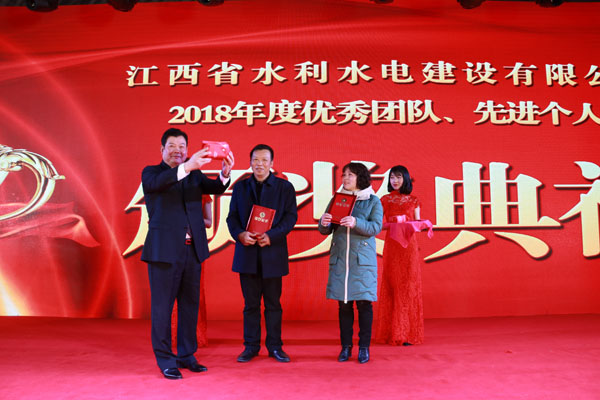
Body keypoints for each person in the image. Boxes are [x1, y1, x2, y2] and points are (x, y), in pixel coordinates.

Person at [141, 128, 234, 379]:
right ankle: (165, 359)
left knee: (190, 306)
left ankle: (186, 355)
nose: (178, 150)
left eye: (182, 146)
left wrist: (225, 173)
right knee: (162, 308)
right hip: (163, 253)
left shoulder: (194, 175)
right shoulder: (152, 173)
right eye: (172, 146)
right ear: (162, 149)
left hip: (192, 251)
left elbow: (215, 187)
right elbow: (157, 184)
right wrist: (187, 166)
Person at [226, 144, 298, 363]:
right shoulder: (240, 187)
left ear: (272, 163)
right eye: (256, 160)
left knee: (273, 304)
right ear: (250, 162)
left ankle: (275, 347)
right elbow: (232, 217)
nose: (260, 164)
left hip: (272, 253)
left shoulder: (284, 188)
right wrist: (240, 234)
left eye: (264, 160)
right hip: (247, 253)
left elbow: (290, 218)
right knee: (250, 305)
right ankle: (251, 347)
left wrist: (272, 235)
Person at [318, 162, 383, 364]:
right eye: (344, 175)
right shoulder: (337, 199)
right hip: (341, 260)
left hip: (361, 261)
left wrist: (356, 222)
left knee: (364, 305)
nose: (345, 178)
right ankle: (345, 347)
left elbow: (376, 227)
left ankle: (364, 348)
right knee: (344, 306)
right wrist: (323, 222)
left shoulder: (373, 201)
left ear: (360, 178)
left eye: (350, 175)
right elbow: (326, 230)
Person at [374, 165, 425, 346]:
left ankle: (406, 333)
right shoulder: (384, 200)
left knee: (408, 286)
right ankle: (392, 332)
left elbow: (418, 224)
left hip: (409, 247)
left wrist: (419, 224)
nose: (395, 181)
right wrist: (394, 223)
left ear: (406, 179)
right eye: (392, 177)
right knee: (393, 284)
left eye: (398, 177)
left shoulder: (414, 200)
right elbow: (377, 224)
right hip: (392, 246)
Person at [171, 194, 212, 348]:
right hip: (171, 247)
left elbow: (209, 222)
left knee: (193, 293)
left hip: (194, 248)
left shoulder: (203, 195)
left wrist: (192, 218)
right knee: (171, 292)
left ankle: (193, 335)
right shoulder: (168, 192)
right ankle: (171, 335)